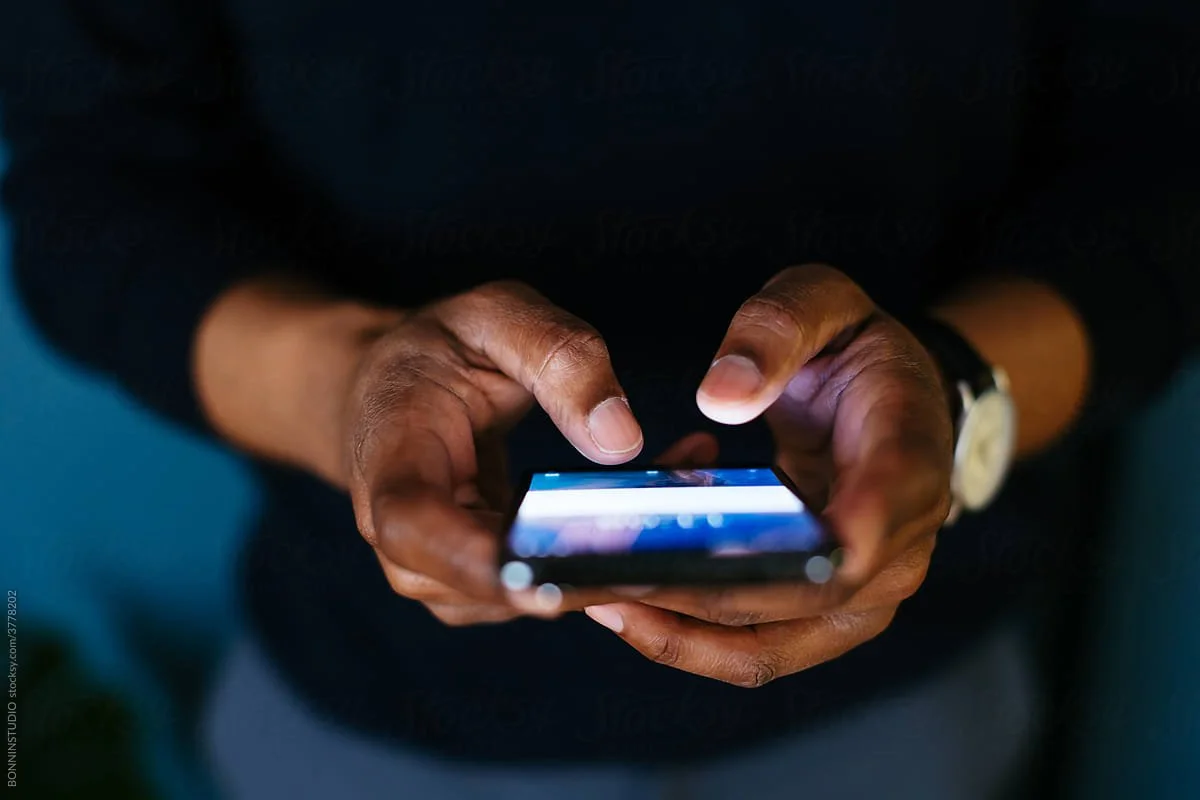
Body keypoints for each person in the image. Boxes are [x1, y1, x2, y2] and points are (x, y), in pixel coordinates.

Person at [1, 1, 1197, 797]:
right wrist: (351, 387)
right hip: (371, 706)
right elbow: (95, 194)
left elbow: (1159, 175)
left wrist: (952, 391)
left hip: (910, 702)